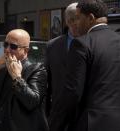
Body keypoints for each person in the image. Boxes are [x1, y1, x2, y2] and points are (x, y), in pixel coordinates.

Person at [49, 0, 120, 131]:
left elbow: (73, 93)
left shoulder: (81, 44)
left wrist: (57, 125)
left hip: (93, 123)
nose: (76, 22)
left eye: (78, 18)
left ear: (90, 18)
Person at [0, 29, 49, 131]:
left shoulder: (37, 70)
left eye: (13, 46)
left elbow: (32, 102)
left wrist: (17, 78)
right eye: (5, 44)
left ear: (25, 50)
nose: (7, 49)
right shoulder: (0, 69)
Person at [45, 2, 81, 130]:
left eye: (79, 18)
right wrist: (47, 113)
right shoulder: (53, 45)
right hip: (58, 114)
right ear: (67, 21)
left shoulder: (94, 43)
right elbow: (47, 81)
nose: (76, 23)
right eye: (72, 19)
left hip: (85, 114)